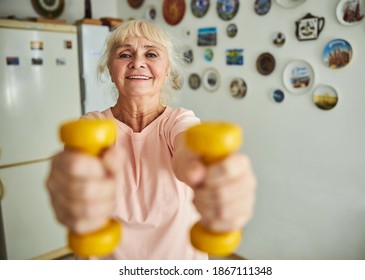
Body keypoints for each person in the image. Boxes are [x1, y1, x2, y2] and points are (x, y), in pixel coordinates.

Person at [46, 19, 256, 260]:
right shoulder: (91, 126)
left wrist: (209, 175)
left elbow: (188, 154)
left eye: (151, 54)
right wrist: (72, 181)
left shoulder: (180, 121)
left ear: (167, 71)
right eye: (125, 54)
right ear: (110, 70)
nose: (137, 62)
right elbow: (79, 167)